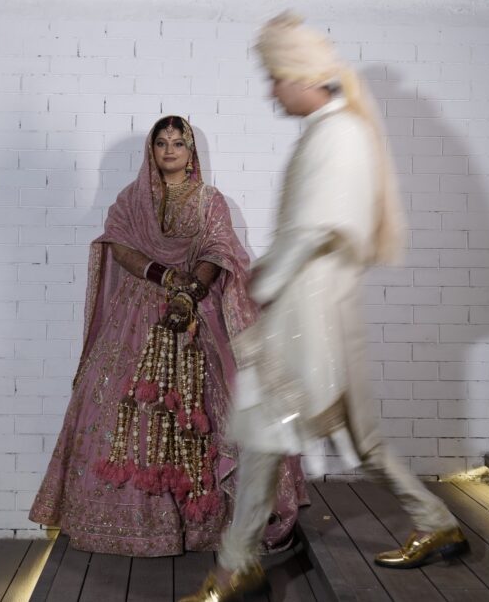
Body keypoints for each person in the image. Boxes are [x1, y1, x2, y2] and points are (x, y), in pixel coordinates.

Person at [181, 14, 467, 602]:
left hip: (310, 314)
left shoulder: (337, 134)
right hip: (325, 310)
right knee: (362, 437)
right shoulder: (336, 130)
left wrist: (266, 279)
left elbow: (316, 228)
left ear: (299, 75)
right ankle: (435, 522)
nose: (270, 91)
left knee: (264, 434)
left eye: (274, 78)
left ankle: (236, 568)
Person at [29, 115, 306, 557]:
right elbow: (118, 245)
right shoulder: (130, 200)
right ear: (151, 151)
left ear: (192, 151)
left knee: (210, 410)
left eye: (180, 143)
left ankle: (207, 524)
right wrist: (163, 276)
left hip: (195, 314)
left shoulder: (209, 202)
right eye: (162, 143)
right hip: (136, 313)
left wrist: (190, 289)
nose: (171, 150)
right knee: (116, 408)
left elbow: (218, 250)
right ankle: (126, 525)